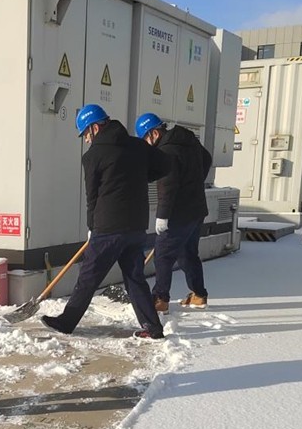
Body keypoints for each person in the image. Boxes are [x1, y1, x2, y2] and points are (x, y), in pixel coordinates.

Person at [40, 104, 169, 340]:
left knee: (88, 277)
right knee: (135, 279)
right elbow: (164, 165)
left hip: (108, 228)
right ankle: (153, 327)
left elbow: (92, 197)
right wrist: (140, 176)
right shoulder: (138, 146)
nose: (86, 139)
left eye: (86, 134)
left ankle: (67, 322)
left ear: (95, 127)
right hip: (136, 226)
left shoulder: (93, 156)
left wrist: (92, 226)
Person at [135, 112, 213, 311]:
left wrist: (162, 216)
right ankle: (199, 295)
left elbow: (167, 187)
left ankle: (160, 299)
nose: (146, 145)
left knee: (163, 255)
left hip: (179, 213)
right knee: (188, 253)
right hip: (197, 210)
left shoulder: (166, 152)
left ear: (153, 134)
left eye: (145, 139)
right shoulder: (188, 141)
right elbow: (207, 158)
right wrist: (194, 182)